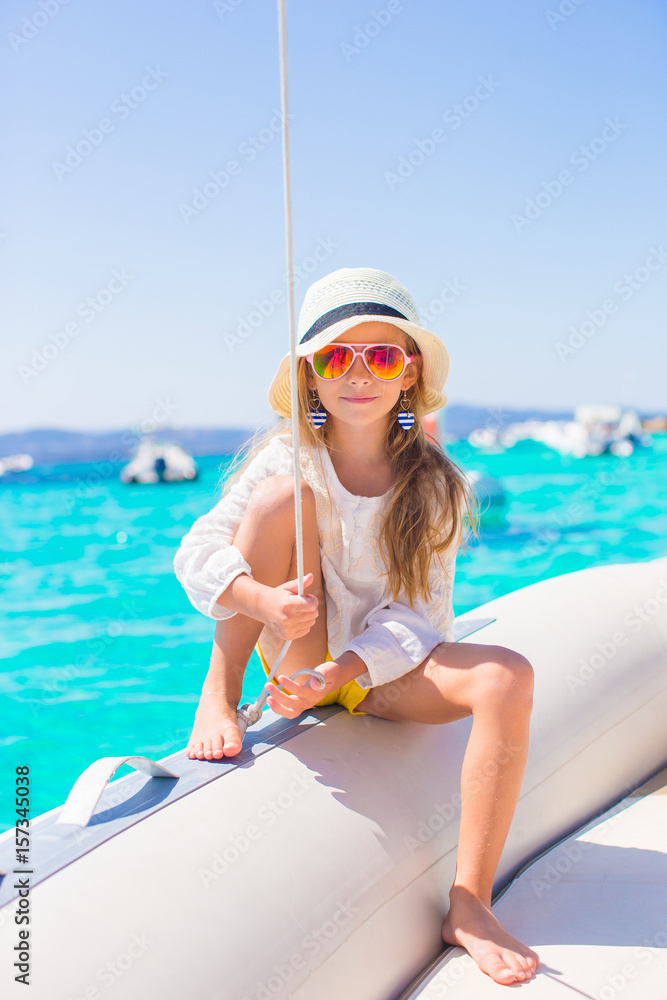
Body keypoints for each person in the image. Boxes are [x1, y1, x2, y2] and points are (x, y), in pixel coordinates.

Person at [173, 267, 539, 986]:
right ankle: (218, 691)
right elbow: (196, 555)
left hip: (380, 676)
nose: (360, 373)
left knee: (507, 676)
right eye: (337, 357)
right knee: (281, 502)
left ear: (409, 375)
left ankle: (469, 901)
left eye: (381, 356)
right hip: (295, 654)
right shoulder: (287, 460)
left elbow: (418, 617)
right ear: (312, 378)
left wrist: (343, 673)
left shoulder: (434, 483)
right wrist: (265, 602)